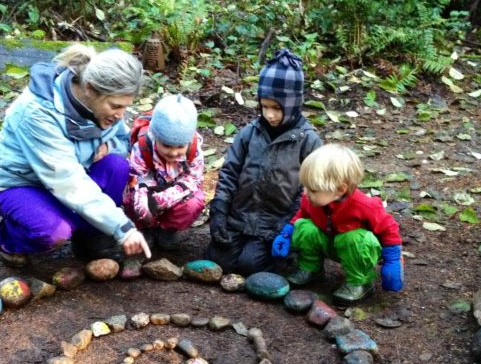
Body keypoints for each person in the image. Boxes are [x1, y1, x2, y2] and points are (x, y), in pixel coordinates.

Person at [0, 44, 151, 267]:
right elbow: (67, 181)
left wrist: (108, 149)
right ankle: (9, 238)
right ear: (90, 88)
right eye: (116, 106)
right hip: (20, 183)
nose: (121, 115)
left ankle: (89, 237)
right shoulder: (38, 112)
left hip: (73, 178)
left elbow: (121, 143)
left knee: (117, 166)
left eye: (125, 107)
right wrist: (122, 227)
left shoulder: (104, 104)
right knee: (54, 231)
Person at [203, 48, 322, 275]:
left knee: (251, 265)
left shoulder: (308, 141)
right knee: (220, 259)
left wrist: (287, 225)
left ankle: (292, 258)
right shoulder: (250, 132)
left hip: (276, 223)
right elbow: (230, 172)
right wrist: (219, 211)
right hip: (241, 216)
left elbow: (309, 192)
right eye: (264, 106)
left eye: (277, 108)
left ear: (293, 104)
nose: (269, 114)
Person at [271, 143, 404, 304]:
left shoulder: (365, 205)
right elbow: (302, 213)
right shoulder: (313, 200)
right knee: (305, 227)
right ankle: (310, 267)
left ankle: (360, 281)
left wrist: (393, 260)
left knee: (354, 239)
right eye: (304, 186)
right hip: (328, 241)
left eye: (312, 189)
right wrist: (287, 233)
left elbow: (388, 229)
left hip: (354, 250)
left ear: (340, 190)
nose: (305, 193)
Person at [122, 93, 205, 250]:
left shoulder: (194, 150)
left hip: (178, 190)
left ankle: (168, 229)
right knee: (132, 200)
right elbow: (137, 177)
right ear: (155, 136)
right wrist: (144, 198)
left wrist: (165, 198)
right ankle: (145, 228)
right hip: (150, 187)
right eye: (166, 146)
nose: (173, 153)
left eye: (180, 147)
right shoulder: (142, 147)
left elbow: (193, 179)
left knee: (195, 201)